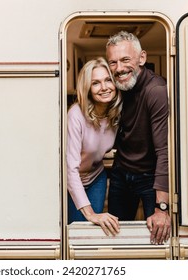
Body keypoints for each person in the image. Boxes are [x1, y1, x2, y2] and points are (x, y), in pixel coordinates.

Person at [105, 31, 171, 244]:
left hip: (149, 177)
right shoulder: (117, 88)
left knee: (156, 238)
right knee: (115, 238)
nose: (119, 68)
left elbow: (165, 151)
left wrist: (162, 207)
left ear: (142, 58)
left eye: (125, 60)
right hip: (121, 173)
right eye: (112, 62)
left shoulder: (156, 90)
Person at [67, 57, 121, 236]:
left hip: (96, 177)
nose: (104, 87)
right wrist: (91, 214)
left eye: (108, 80)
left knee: (93, 234)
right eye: (96, 83)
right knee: (78, 232)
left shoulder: (115, 113)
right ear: (87, 89)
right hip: (72, 181)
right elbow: (70, 169)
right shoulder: (75, 115)